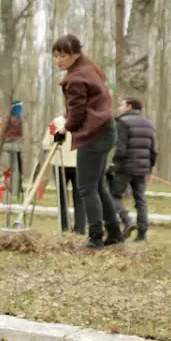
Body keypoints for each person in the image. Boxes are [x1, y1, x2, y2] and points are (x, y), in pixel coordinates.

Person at [51, 34, 123, 249]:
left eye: (63, 55)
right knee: (98, 186)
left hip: (95, 135)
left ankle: (95, 237)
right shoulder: (89, 69)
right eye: (55, 55)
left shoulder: (76, 79)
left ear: (75, 55)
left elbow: (77, 114)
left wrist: (64, 129)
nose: (58, 60)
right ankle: (114, 233)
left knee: (85, 188)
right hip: (105, 131)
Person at [110, 97, 156, 242]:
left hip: (124, 168)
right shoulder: (149, 124)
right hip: (142, 169)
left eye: (122, 105)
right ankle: (142, 235)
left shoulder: (122, 122)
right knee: (141, 201)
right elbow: (153, 151)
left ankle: (127, 220)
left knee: (114, 196)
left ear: (129, 106)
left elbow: (121, 149)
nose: (120, 108)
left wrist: (113, 163)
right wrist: (150, 169)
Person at [41, 115, 84, 235]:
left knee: (62, 196)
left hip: (61, 163)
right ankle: (80, 228)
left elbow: (46, 142)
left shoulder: (57, 122)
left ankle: (65, 226)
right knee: (79, 197)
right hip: (77, 163)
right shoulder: (84, 121)